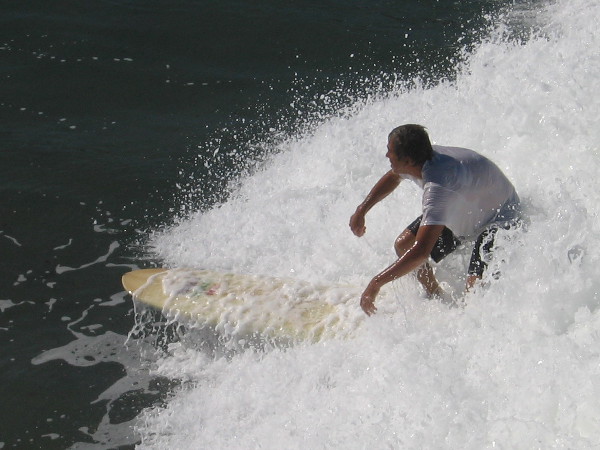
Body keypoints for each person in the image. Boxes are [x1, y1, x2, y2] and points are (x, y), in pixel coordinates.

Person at [349, 124, 521, 315]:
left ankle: (471, 322)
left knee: (475, 293)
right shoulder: (422, 157)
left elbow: (422, 251)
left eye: (390, 151)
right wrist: (361, 210)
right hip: (467, 206)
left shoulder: (438, 187)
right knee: (404, 244)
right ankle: (436, 296)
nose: (387, 155)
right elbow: (394, 176)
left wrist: (376, 283)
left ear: (407, 160)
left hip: (500, 216)